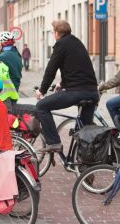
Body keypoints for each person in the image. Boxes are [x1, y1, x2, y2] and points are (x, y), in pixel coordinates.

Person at [35, 20, 99, 153]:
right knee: (84, 132)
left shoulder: (61, 44)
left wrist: (42, 90)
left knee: (41, 107)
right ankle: (84, 167)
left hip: (77, 92)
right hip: (92, 92)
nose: (53, 35)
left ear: (57, 33)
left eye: (53, 32)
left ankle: (54, 143)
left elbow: (50, 70)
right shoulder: (77, 43)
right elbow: (77, 69)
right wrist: (62, 84)